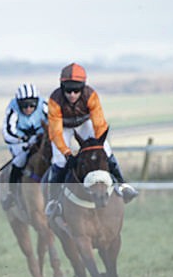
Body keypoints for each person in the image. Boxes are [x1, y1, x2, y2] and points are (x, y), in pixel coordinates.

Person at [45, 63, 138, 218]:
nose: (72, 94)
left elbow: (99, 124)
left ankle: (123, 186)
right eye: (68, 90)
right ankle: (54, 202)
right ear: (62, 87)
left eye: (77, 90)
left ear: (83, 87)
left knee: (106, 150)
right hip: (64, 128)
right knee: (59, 160)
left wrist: (98, 144)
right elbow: (55, 132)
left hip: (84, 124)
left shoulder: (91, 95)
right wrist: (67, 153)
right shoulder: (55, 100)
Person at [1, 83, 48, 210]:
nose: (28, 108)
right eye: (24, 105)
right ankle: (12, 194)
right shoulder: (12, 109)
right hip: (20, 142)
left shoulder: (44, 106)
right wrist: (23, 139)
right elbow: (8, 133)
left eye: (32, 105)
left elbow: (54, 122)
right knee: (19, 161)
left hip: (42, 137)